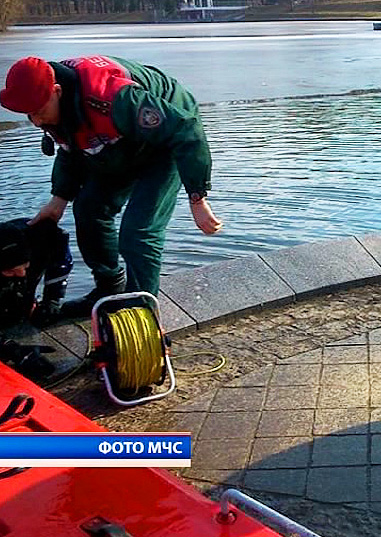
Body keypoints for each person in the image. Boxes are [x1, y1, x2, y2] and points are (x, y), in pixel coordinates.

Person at [0, 56, 223, 317]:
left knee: (138, 233)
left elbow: (185, 130)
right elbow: (71, 147)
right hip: (118, 140)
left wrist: (197, 197)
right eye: (29, 115)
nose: (36, 122)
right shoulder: (54, 104)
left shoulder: (113, 97)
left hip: (167, 139)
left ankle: (142, 314)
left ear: (57, 92)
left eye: (38, 112)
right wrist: (59, 198)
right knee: (87, 209)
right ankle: (110, 288)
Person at [0, 218, 73, 381]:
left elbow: (62, 261)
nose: (21, 273)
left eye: (25, 266)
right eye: (11, 271)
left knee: (22, 311)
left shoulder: (42, 237)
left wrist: (52, 299)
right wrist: (12, 350)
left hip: (31, 255)